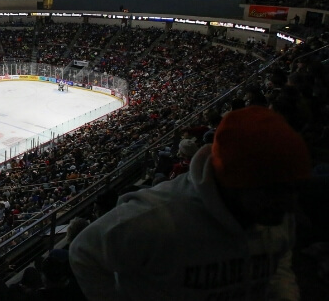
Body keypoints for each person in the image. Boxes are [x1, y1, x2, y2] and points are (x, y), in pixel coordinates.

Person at [69, 106, 311, 300]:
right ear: (236, 182)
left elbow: (279, 255)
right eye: (276, 192)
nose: (290, 205)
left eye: (294, 190)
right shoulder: (159, 217)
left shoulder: (272, 213)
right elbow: (84, 252)